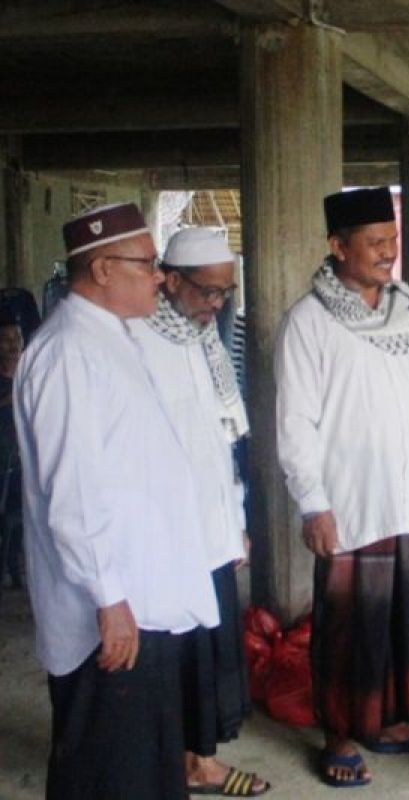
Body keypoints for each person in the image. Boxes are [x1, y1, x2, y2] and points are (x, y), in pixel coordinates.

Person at [15, 202, 219, 799]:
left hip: (141, 596)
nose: (159, 276)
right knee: (108, 771)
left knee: (141, 767)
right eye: (147, 264)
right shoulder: (68, 352)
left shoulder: (111, 338)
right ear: (102, 269)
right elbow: (72, 493)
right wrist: (109, 598)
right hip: (112, 609)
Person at [276, 186, 409, 789]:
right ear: (337, 246)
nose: (388, 252)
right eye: (375, 242)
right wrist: (313, 503)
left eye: (393, 240)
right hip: (350, 502)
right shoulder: (308, 322)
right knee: (350, 626)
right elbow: (295, 421)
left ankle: (397, 722)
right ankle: (341, 733)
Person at [128, 227, 268, 797]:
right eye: (206, 292)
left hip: (211, 524)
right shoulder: (135, 337)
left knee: (209, 651)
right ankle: (172, 764)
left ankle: (197, 760)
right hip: (163, 533)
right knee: (169, 653)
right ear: (172, 279)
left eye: (224, 294)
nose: (216, 305)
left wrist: (236, 521)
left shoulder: (205, 337)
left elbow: (221, 439)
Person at [0, 311, 23, 597]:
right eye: (4, 340)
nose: (12, 344)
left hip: (21, 460)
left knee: (19, 517)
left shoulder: (31, 369)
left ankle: (14, 569)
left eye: (16, 338)